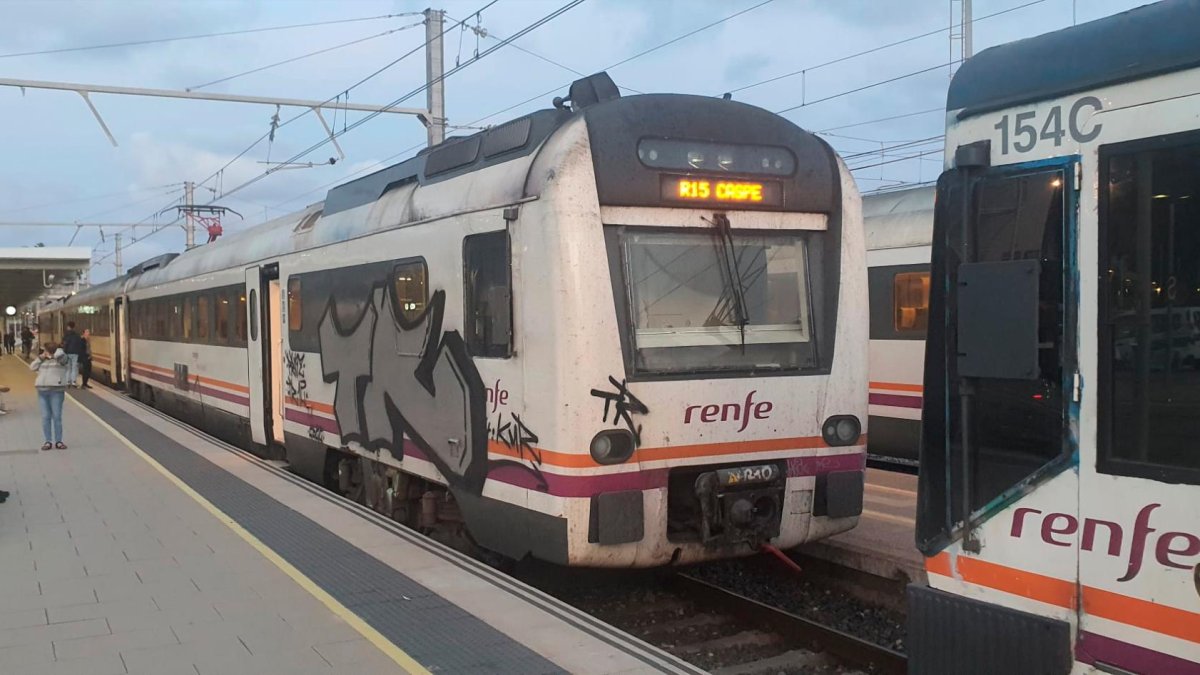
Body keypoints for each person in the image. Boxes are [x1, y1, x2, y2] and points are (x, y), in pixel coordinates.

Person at [29, 342, 69, 450]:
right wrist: (41, 357)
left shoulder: (62, 358)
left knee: (56, 416)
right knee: (45, 417)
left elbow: (65, 360)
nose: (44, 352)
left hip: (56, 391)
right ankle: (48, 441)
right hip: (42, 391)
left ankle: (59, 441)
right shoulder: (42, 360)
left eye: (45, 350)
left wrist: (56, 353)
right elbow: (32, 367)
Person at [62, 322, 83, 387]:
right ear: (74, 327)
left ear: (68, 327)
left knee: (68, 368)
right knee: (74, 367)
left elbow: (64, 343)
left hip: (67, 353)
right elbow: (80, 344)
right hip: (75, 353)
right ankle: (73, 381)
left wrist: (64, 351)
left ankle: (68, 381)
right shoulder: (77, 335)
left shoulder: (66, 335)